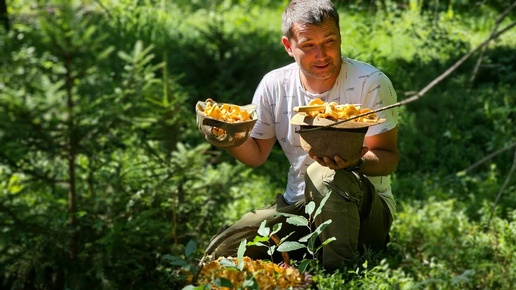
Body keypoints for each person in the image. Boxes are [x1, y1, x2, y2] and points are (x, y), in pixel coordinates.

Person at [205, 0, 399, 271]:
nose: (321, 54)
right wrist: (227, 138)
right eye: (308, 45)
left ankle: (338, 275)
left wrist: (354, 162)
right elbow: (256, 154)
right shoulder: (275, 85)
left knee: (323, 174)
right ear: (288, 46)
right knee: (224, 250)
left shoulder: (370, 82)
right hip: (299, 206)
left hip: (365, 211)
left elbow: (388, 157)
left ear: (340, 37)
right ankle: (305, 256)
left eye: (329, 41)